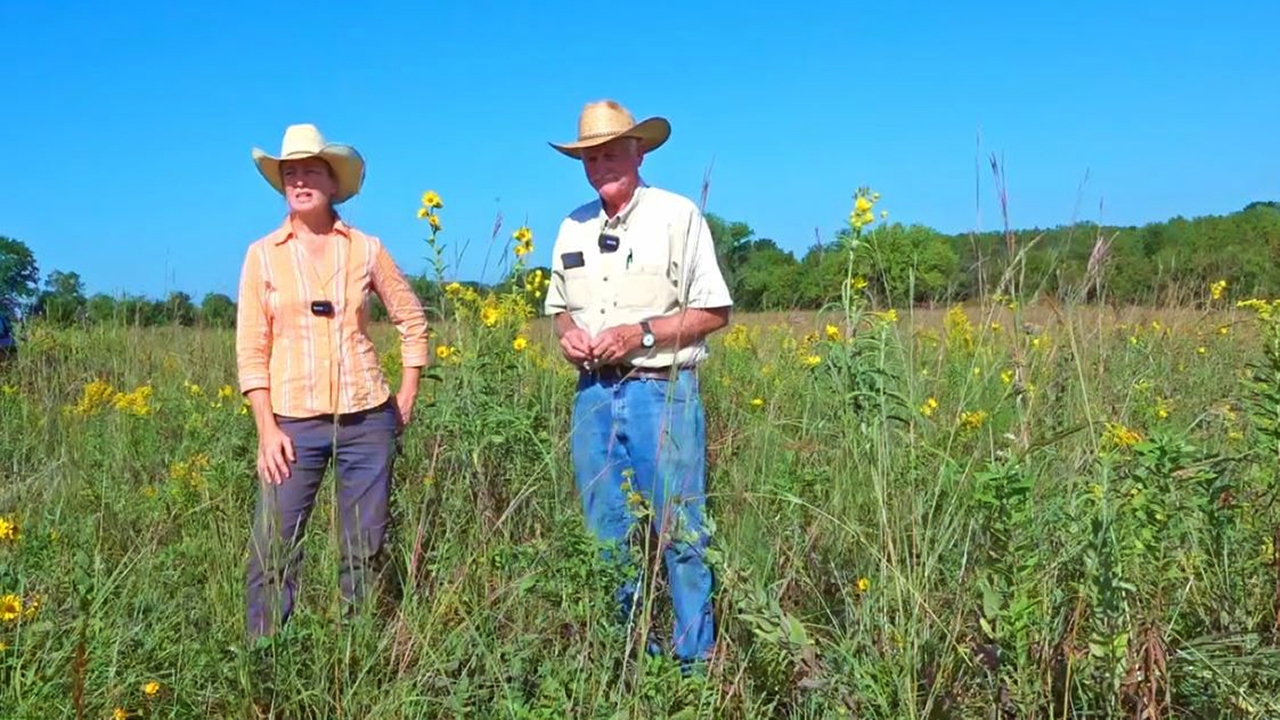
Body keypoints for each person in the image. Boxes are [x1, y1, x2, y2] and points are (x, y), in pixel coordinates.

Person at [544, 100, 733, 668]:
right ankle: (624, 656)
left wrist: (641, 335)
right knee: (605, 536)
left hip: (661, 393)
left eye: (610, 152)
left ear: (639, 151)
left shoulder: (678, 216)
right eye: (589, 156)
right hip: (593, 397)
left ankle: (695, 662)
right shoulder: (571, 225)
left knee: (680, 532)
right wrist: (570, 334)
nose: (600, 164)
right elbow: (558, 309)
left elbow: (715, 311)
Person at [236, 123, 429, 640]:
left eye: (311, 171)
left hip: (367, 418)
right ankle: (266, 658)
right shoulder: (263, 254)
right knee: (273, 548)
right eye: (290, 172)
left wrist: (405, 393)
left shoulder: (365, 248)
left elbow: (412, 319)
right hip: (292, 425)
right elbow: (251, 349)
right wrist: (266, 429)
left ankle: (355, 654)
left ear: (332, 181)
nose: (300, 181)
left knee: (362, 548)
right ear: (281, 183)